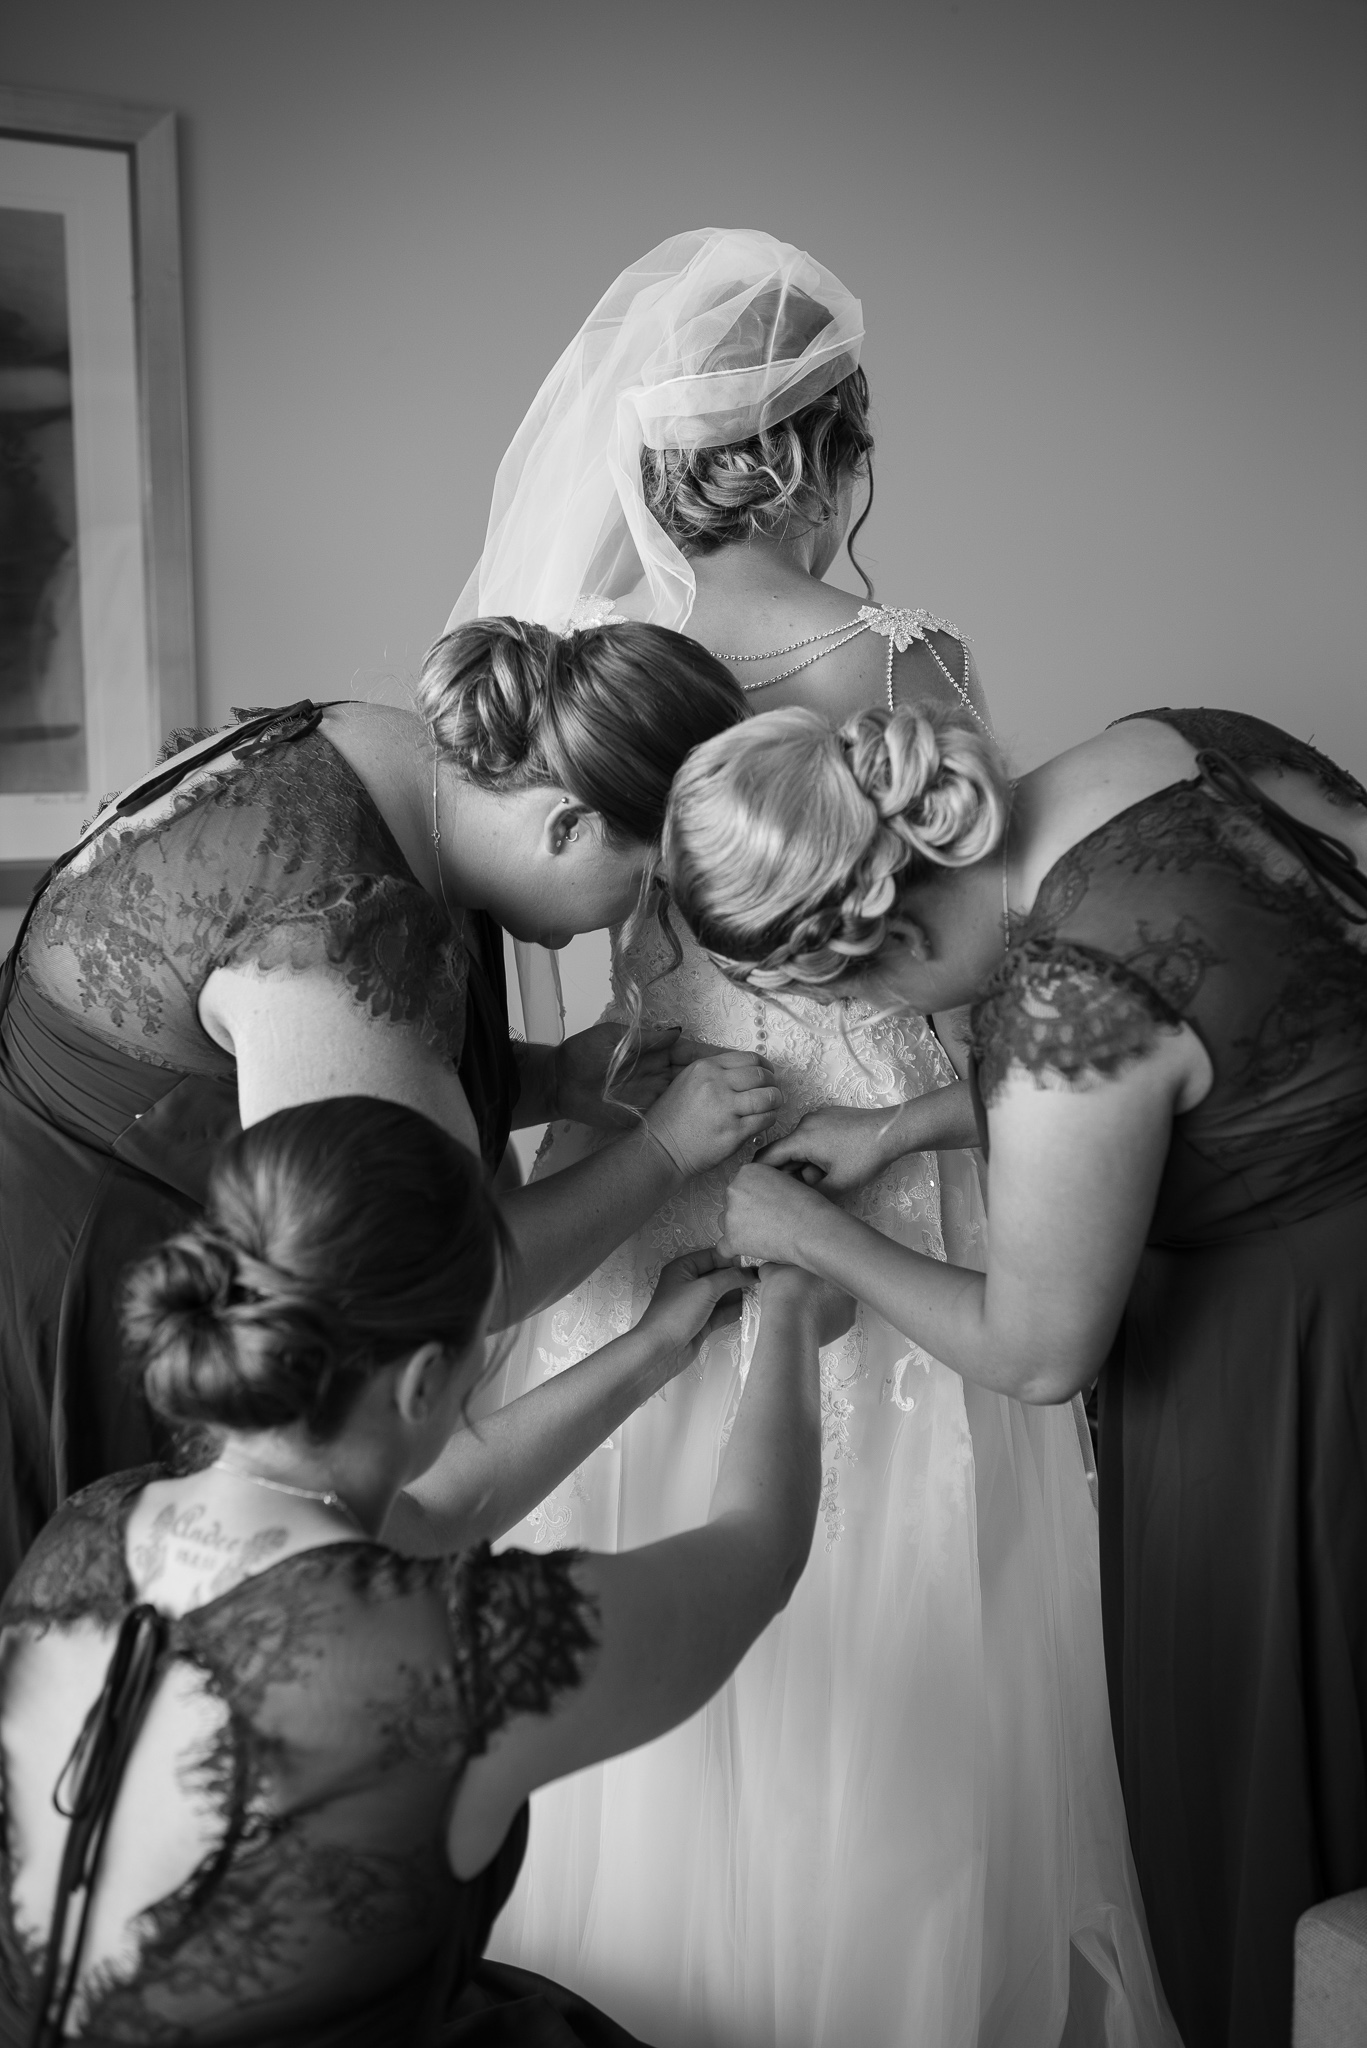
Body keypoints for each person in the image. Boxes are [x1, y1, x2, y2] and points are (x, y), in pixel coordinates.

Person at [450, 228, 1174, 2047]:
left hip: (652, 1161)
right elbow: (988, 963)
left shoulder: (603, 672)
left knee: (641, 1584)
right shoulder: (900, 659)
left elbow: (618, 951)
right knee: (898, 1624)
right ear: (819, 457)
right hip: (876, 1156)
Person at [665, 695, 1367, 2048]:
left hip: (1282, 1378)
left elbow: (1040, 1350)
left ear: (881, 937)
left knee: (1275, 1783)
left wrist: (806, 1232)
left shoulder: (1058, 991)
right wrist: (907, 1124)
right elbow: (1229, 1034)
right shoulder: (1170, 743)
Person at [0, 1095, 850, 2047]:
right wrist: (791, 1314)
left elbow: (439, 1512)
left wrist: (653, 1346)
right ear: (420, 1383)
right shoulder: (464, 1653)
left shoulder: (88, 1524)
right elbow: (755, 1556)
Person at [0, 616, 782, 1593]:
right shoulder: (338, 928)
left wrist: (551, 1080)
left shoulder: (385, 753)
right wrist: (663, 1152)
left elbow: (305, 1064)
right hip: (75, 1300)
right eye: (644, 885)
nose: (635, 922)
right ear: (570, 825)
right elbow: (453, 1279)